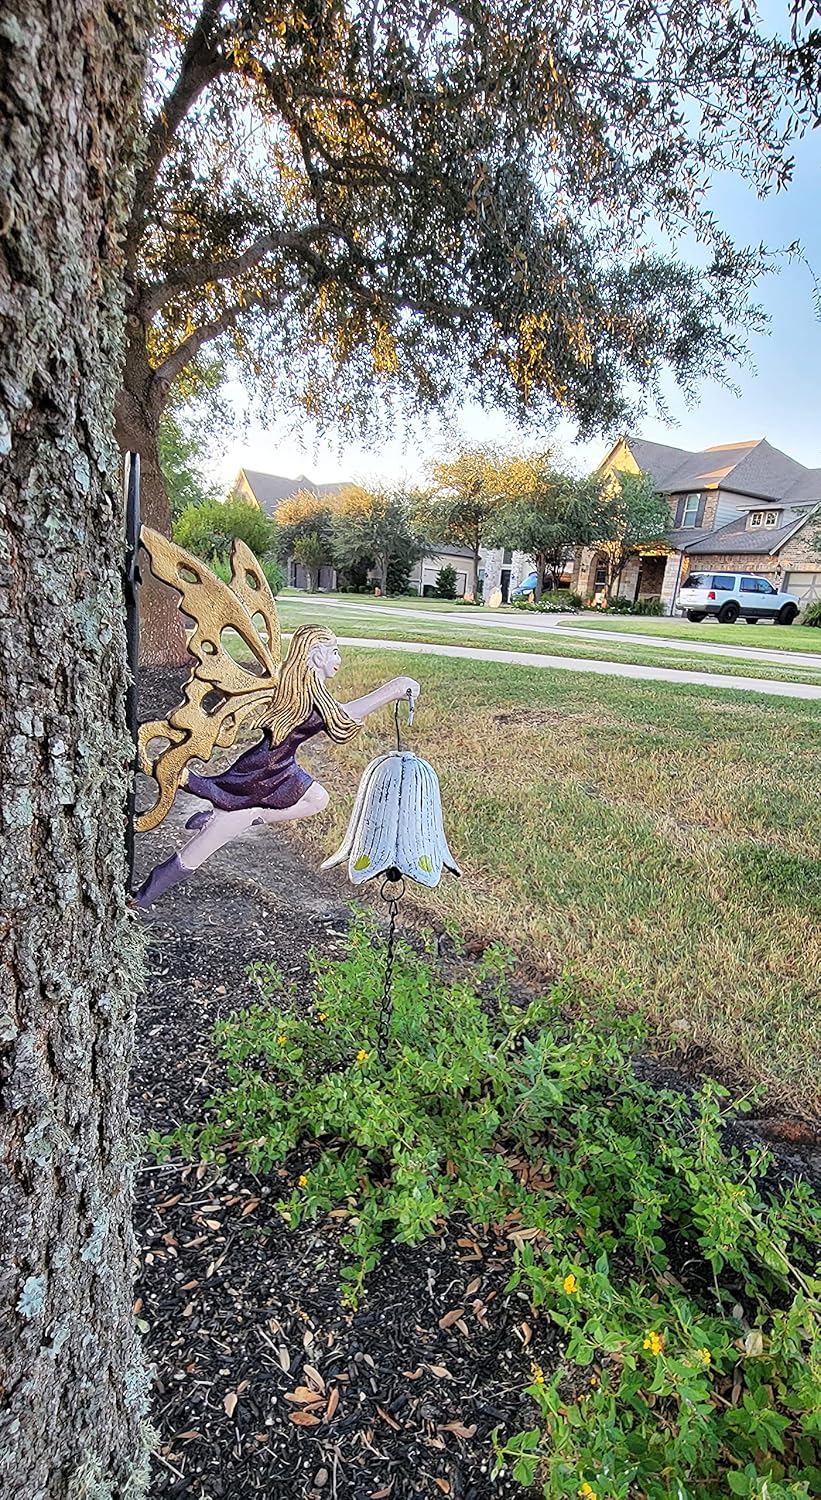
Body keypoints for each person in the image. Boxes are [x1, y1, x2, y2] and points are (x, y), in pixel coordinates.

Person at [134, 622, 419, 906]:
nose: (338, 660)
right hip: (261, 775)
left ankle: (223, 809)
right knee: (198, 853)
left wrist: (392, 691)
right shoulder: (303, 697)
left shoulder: (308, 693)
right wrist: (390, 691)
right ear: (317, 656)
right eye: (334, 652)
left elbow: (337, 717)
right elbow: (341, 717)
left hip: (278, 769)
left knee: (317, 798)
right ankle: (140, 899)